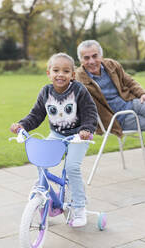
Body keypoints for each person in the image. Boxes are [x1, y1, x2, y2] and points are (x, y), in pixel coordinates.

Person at [10, 52, 98, 227]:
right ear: (48, 73)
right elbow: (36, 115)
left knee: (72, 167)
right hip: (57, 134)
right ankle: (46, 201)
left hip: (77, 136)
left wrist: (86, 130)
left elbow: (90, 113)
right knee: (41, 163)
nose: (60, 74)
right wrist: (22, 126)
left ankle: (79, 208)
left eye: (66, 71)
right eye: (56, 70)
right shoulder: (46, 92)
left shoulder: (79, 90)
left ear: (72, 75)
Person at [76, 40, 145, 137]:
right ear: (81, 61)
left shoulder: (111, 65)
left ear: (101, 56)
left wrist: (142, 93)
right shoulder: (78, 80)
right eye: (86, 58)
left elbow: (129, 81)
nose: (91, 61)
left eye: (95, 56)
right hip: (118, 118)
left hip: (132, 102)